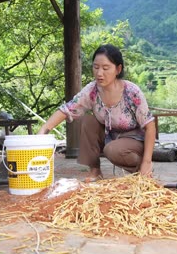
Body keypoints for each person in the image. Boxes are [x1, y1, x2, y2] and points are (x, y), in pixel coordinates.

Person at [38, 44, 156, 180]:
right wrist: (44, 130)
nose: (100, 73)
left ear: (118, 69)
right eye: (96, 67)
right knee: (87, 121)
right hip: (109, 136)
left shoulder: (131, 92)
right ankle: (95, 171)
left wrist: (147, 161)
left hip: (135, 140)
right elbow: (67, 109)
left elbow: (150, 126)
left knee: (112, 150)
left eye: (106, 68)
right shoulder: (92, 90)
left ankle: (143, 170)